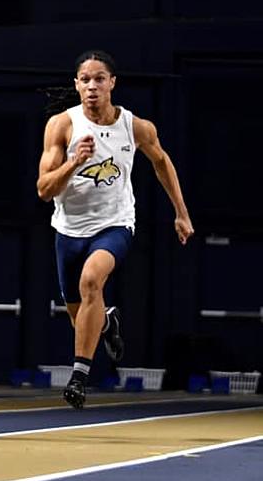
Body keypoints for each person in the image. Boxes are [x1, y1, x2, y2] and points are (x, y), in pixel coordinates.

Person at [36, 50, 194, 410]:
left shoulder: (135, 127)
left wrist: (181, 213)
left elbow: (162, 162)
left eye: (99, 78)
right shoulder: (62, 125)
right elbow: (45, 190)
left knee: (92, 281)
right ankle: (107, 324)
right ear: (76, 85)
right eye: (85, 79)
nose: (92, 86)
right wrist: (75, 162)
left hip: (115, 223)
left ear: (112, 83)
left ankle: (78, 377)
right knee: (81, 317)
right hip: (68, 229)